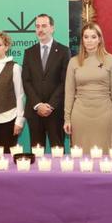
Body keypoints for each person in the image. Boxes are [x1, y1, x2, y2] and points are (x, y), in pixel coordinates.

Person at [63, 22, 112, 152]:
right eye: (86, 37)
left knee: (104, 157)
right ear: (82, 40)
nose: (89, 41)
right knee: (81, 158)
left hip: (104, 115)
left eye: (93, 37)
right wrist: (67, 119)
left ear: (100, 39)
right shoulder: (73, 62)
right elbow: (69, 92)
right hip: (80, 115)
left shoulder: (110, 60)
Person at [22, 14, 70, 149]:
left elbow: (65, 81)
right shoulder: (29, 52)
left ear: (52, 28)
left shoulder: (63, 51)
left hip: (55, 111)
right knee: (36, 153)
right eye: (37, 26)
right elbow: (26, 81)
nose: (40, 30)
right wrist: (38, 105)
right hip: (35, 111)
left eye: (44, 26)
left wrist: (50, 105)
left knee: (58, 152)